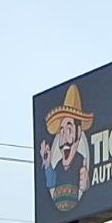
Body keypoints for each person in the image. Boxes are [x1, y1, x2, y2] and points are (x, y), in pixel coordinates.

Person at [40, 85, 93, 214]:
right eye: (61, 132)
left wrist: (87, 186)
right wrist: (47, 164)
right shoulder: (57, 165)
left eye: (69, 130)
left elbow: (86, 190)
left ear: (79, 132)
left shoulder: (81, 163)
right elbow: (51, 183)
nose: (64, 139)